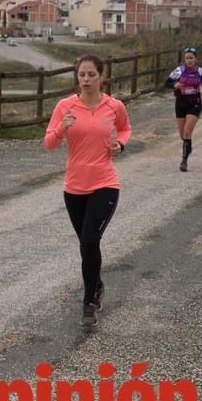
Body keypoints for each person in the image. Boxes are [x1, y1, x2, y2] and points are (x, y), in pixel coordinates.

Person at [44, 54, 131, 327]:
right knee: (86, 244)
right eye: (82, 74)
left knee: (90, 240)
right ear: (77, 77)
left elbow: (125, 129)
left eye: (91, 74)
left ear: (101, 76)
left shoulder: (113, 106)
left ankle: (89, 302)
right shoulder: (65, 106)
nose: (86, 79)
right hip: (74, 187)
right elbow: (49, 143)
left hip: (105, 183)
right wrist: (61, 128)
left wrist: (121, 145)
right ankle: (97, 283)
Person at [164, 47, 202, 171]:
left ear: (196, 59)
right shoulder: (179, 70)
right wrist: (175, 85)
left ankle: (184, 161)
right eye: (187, 58)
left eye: (191, 58)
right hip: (180, 103)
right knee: (182, 135)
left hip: (194, 103)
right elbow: (166, 83)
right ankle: (187, 146)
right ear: (184, 59)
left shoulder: (200, 71)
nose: (189, 60)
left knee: (187, 132)